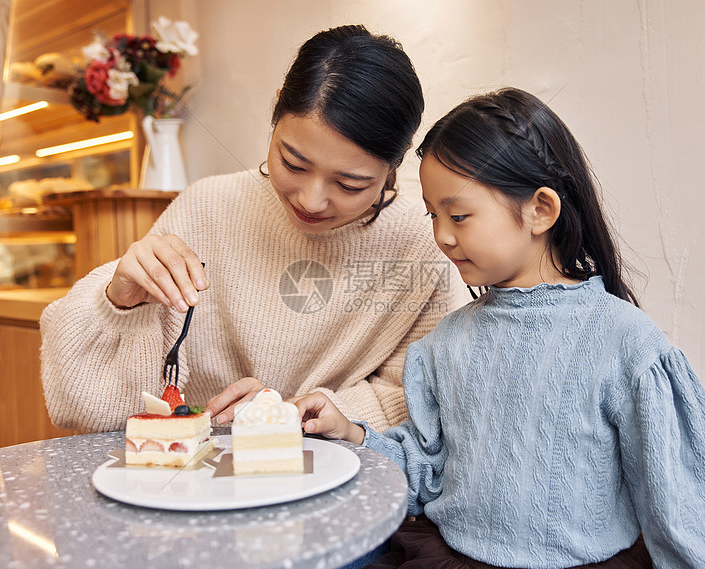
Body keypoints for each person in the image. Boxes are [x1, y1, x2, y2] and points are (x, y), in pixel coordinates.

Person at [292, 88, 705, 569]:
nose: (442, 236)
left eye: (459, 215)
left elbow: (688, 512)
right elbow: (427, 474)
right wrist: (349, 431)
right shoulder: (443, 346)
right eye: (434, 215)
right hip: (448, 560)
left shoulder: (629, 345)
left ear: (540, 210)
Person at [40, 25, 467, 433]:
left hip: (335, 484)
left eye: (349, 184)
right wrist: (118, 303)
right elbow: (80, 407)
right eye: (293, 164)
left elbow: (414, 402)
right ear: (277, 107)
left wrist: (289, 415)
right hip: (194, 473)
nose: (310, 200)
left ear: (398, 159)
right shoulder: (207, 207)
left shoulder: (420, 240)